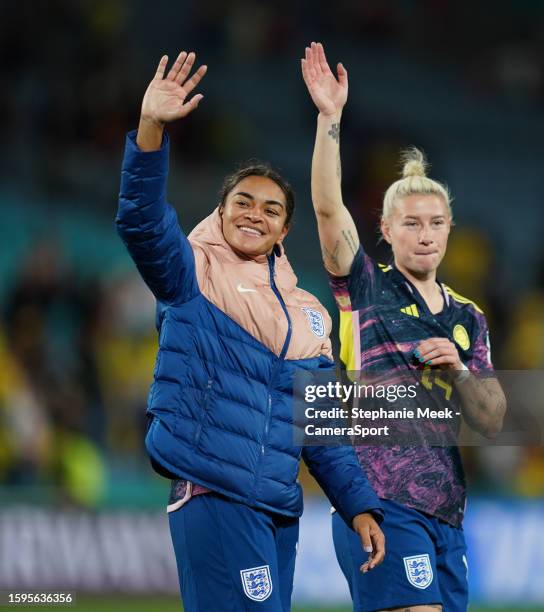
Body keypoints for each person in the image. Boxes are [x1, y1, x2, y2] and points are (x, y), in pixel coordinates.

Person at [116, 50, 385, 612]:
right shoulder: (192, 272)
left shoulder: (310, 312)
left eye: (269, 208)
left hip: (278, 507)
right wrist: (150, 128)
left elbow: (321, 427)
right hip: (214, 493)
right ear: (221, 209)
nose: (253, 214)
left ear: (285, 227)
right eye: (242, 201)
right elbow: (141, 220)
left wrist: (359, 505)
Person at [301, 42, 506, 612]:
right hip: (380, 499)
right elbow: (325, 207)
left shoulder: (469, 316)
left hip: (448, 512)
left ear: (449, 231)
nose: (425, 233)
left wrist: (460, 370)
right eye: (411, 222)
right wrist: (330, 120)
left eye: (436, 223)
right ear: (386, 230)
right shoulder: (365, 287)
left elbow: (491, 420)